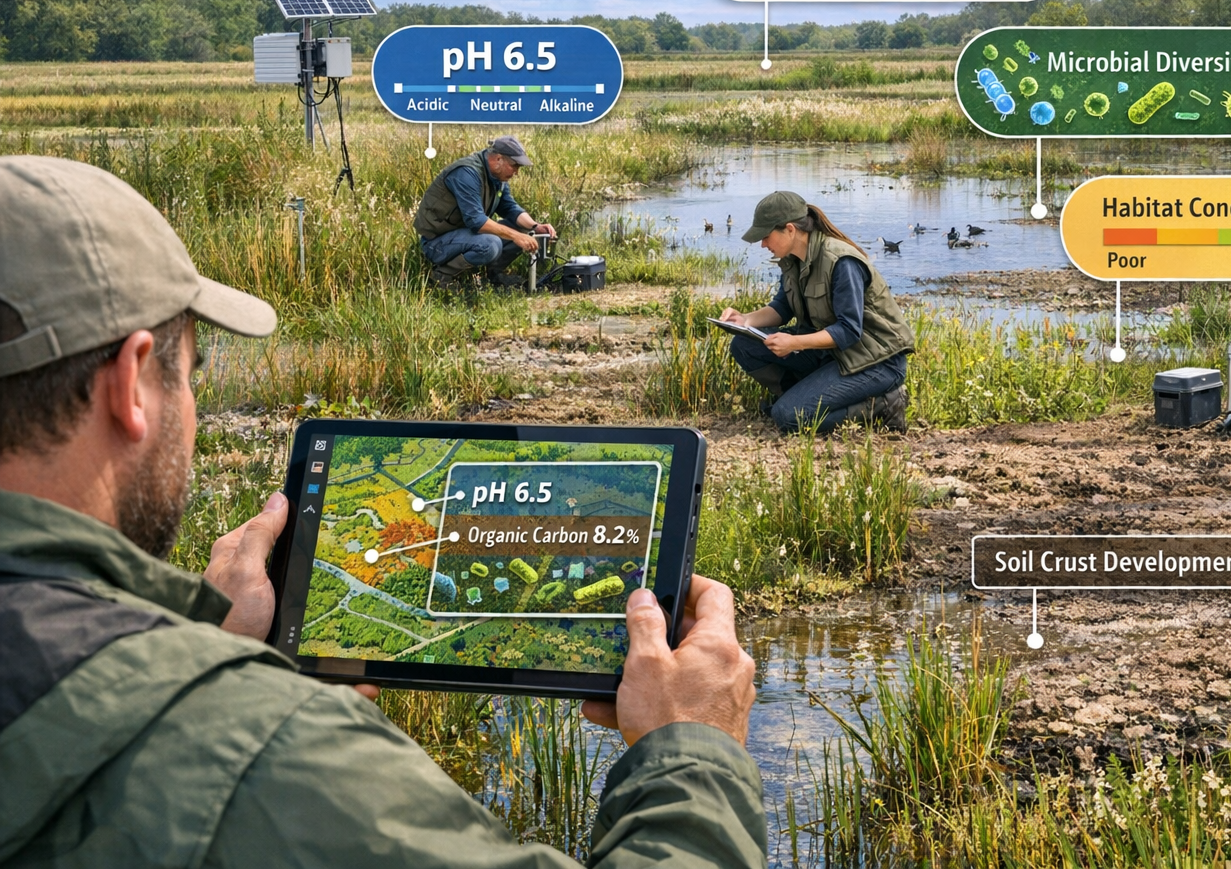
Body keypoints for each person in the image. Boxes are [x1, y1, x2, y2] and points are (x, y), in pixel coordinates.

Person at [0, 155, 765, 868]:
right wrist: (690, 751)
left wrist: (213, 651)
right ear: (132, 385)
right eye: (191, 372)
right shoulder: (265, 757)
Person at [719, 191, 915, 434]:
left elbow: (849, 331)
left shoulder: (841, 261)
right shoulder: (793, 259)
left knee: (788, 418)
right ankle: (800, 397)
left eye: (766, 236)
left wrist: (794, 342)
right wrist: (745, 320)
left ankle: (884, 404)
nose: (763, 244)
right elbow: (782, 307)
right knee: (744, 344)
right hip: (832, 354)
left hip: (875, 363)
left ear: (790, 229)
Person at [414, 135, 559, 289]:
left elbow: (509, 208)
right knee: (491, 244)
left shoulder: (497, 177)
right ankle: (441, 277)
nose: (517, 172)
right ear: (498, 159)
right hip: (437, 243)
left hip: (465, 236)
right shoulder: (466, 174)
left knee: (524, 229)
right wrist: (516, 236)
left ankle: (493, 276)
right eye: (515, 165)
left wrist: (535, 227)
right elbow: (476, 221)